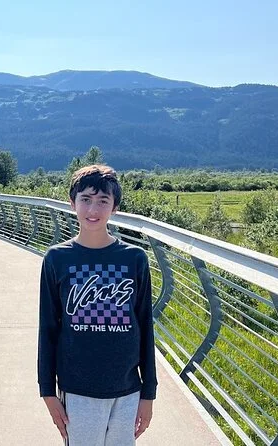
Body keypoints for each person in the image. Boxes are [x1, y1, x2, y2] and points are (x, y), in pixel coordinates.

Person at [38, 164, 157, 445]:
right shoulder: (57, 259)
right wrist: (47, 391)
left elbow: (145, 327)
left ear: (115, 207)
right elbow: (48, 329)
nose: (93, 209)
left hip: (127, 388)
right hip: (77, 388)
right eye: (86, 199)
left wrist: (148, 393)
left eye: (103, 200)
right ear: (72, 203)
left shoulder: (134, 259)